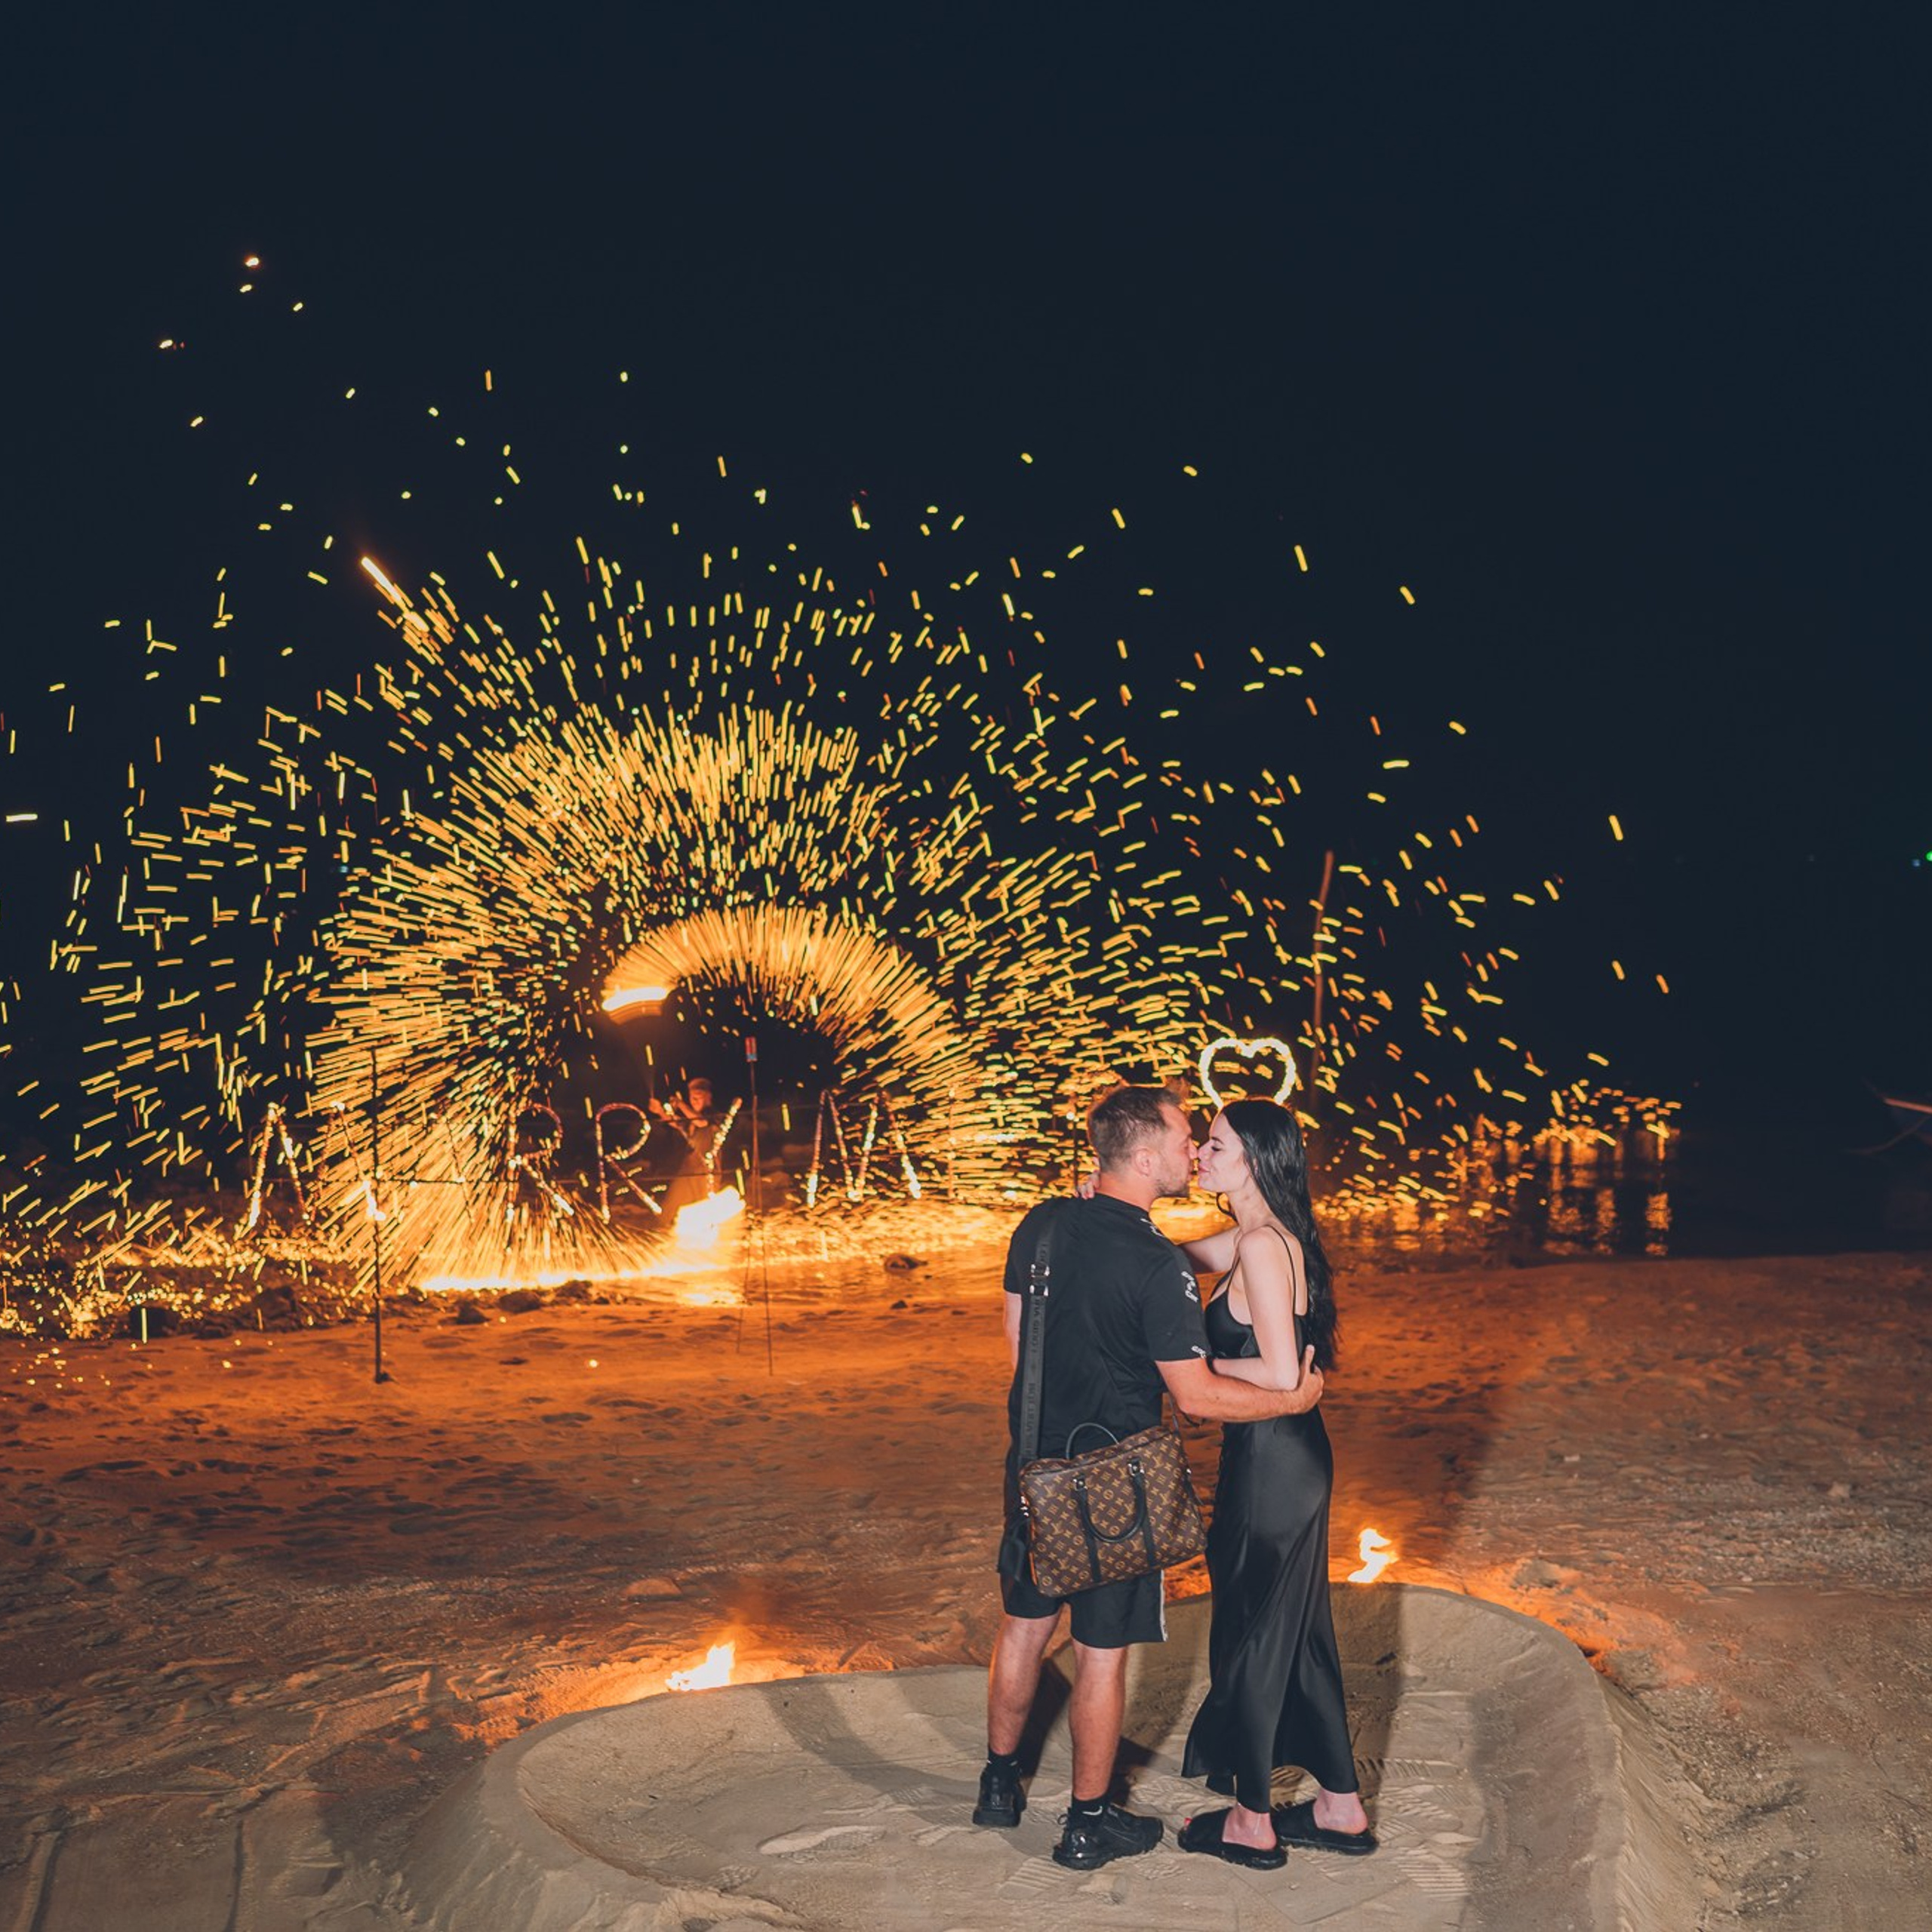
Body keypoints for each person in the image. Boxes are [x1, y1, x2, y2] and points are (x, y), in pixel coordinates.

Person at [975, 1086, 1328, 1871]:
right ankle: (1086, 1822)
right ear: (1141, 1157)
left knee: (1025, 1625)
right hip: (1112, 1484)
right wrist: (1293, 1394)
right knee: (1101, 1654)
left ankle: (998, 1785)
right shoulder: (1154, 1263)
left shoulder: (1039, 1225)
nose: (1190, 1153)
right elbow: (1196, 1395)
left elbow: (1015, 1338)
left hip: (1032, 1464)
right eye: (1180, 1141)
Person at [1173, 1098, 1376, 1869]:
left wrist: (1190, 1372)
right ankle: (1339, 1808)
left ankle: (1252, 1821)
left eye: (1215, 1146)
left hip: (1271, 1461)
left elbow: (1286, 1372)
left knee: (1253, 1635)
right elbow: (1174, 1257)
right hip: (1286, 1456)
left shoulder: (1260, 1246)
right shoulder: (1258, 1235)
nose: (1199, 1155)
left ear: (1253, 1159)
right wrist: (1108, 1214)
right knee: (1301, 1635)